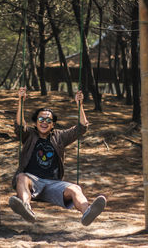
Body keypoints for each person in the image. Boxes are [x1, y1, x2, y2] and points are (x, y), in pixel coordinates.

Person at [9, 87, 106, 226]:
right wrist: (20, 101)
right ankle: (26, 207)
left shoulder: (59, 136)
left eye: (48, 120)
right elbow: (19, 126)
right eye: (41, 119)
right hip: (32, 182)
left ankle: (87, 212)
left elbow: (82, 127)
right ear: (36, 122)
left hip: (53, 184)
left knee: (75, 189)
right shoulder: (30, 135)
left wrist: (80, 105)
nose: (44, 122)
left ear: (53, 124)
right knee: (22, 177)